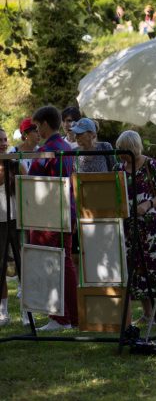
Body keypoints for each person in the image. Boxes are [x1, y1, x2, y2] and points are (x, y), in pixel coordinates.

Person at [27, 106, 78, 330]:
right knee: (65, 263)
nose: (37, 131)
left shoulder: (48, 150)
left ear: (46, 124)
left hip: (49, 215)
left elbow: (33, 185)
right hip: (66, 211)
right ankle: (72, 316)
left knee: (52, 264)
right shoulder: (65, 147)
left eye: (38, 126)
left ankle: (60, 318)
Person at [116, 130, 156, 325]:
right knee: (137, 270)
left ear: (132, 148)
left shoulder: (150, 165)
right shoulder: (119, 168)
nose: (120, 154)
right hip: (129, 227)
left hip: (151, 228)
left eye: (123, 150)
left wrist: (148, 204)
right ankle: (148, 314)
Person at [0, 128, 17, 326]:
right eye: (0, 140)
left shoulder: (14, 164)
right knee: (0, 268)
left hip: (15, 222)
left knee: (21, 267)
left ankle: (27, 312)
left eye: (5, 139)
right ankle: (3, 312)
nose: (4, 143)